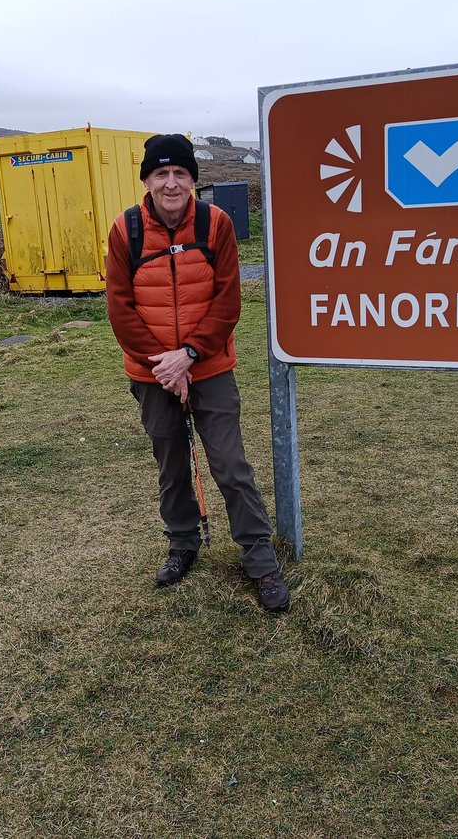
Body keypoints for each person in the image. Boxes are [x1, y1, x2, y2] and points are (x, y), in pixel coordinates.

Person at [105, 133, 289, 613]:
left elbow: (228, 301)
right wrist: (165, 366)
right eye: (161, 173)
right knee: (171, 465)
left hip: (209, 367)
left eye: (181, 174)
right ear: (146, 179)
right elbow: (121, 310)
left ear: (193, 180)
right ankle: (182, 544)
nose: (171, 183)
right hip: (152, 375)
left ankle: (261, 561)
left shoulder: (216, 224)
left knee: (231, 466)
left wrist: (188, 354)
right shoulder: (125, 230)